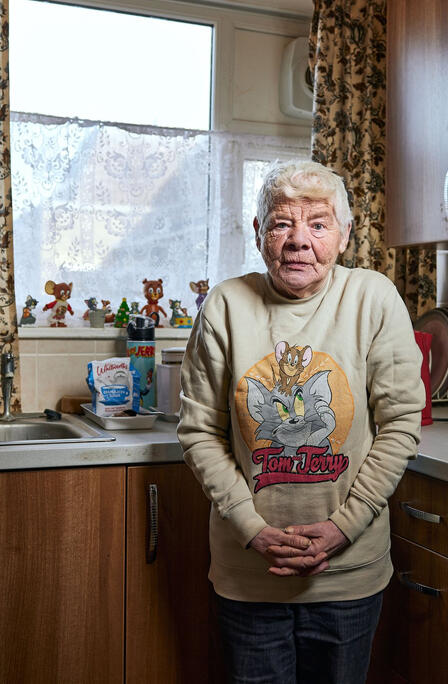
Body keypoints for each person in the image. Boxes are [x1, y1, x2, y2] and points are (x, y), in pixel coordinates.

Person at [177, 160, 424, 683]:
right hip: (250, 572)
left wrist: (342, 528)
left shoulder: (373, 298)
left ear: (345, 234)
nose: (298, 240)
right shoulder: (224, 305)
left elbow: (401, 423)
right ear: (259, 233)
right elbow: (200, 431)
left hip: (348, 572)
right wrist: (251, 529)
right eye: (282, 223)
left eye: (318, 223)